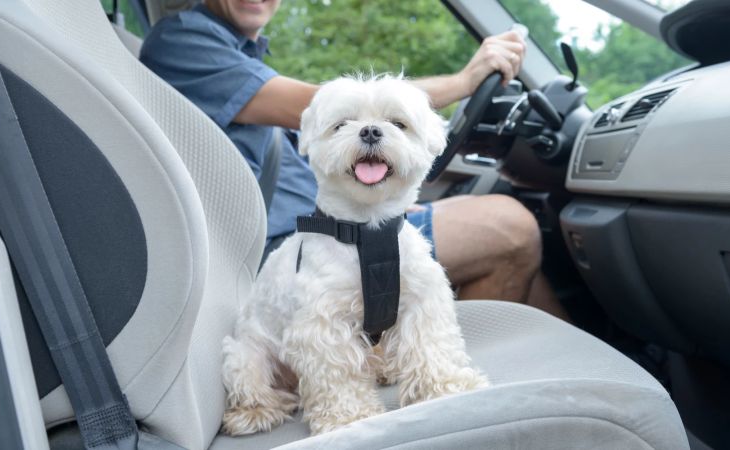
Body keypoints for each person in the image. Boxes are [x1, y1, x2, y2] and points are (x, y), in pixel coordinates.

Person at [140, 0, 567, 317]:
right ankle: (456, 397)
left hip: (332, 225)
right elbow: (323, 105)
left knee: (513, 245)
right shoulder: (183, 41)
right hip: (289, 250)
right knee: (510, 229)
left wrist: (380, 199)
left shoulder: (239, 55)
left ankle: (554, 374)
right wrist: (463, 81)